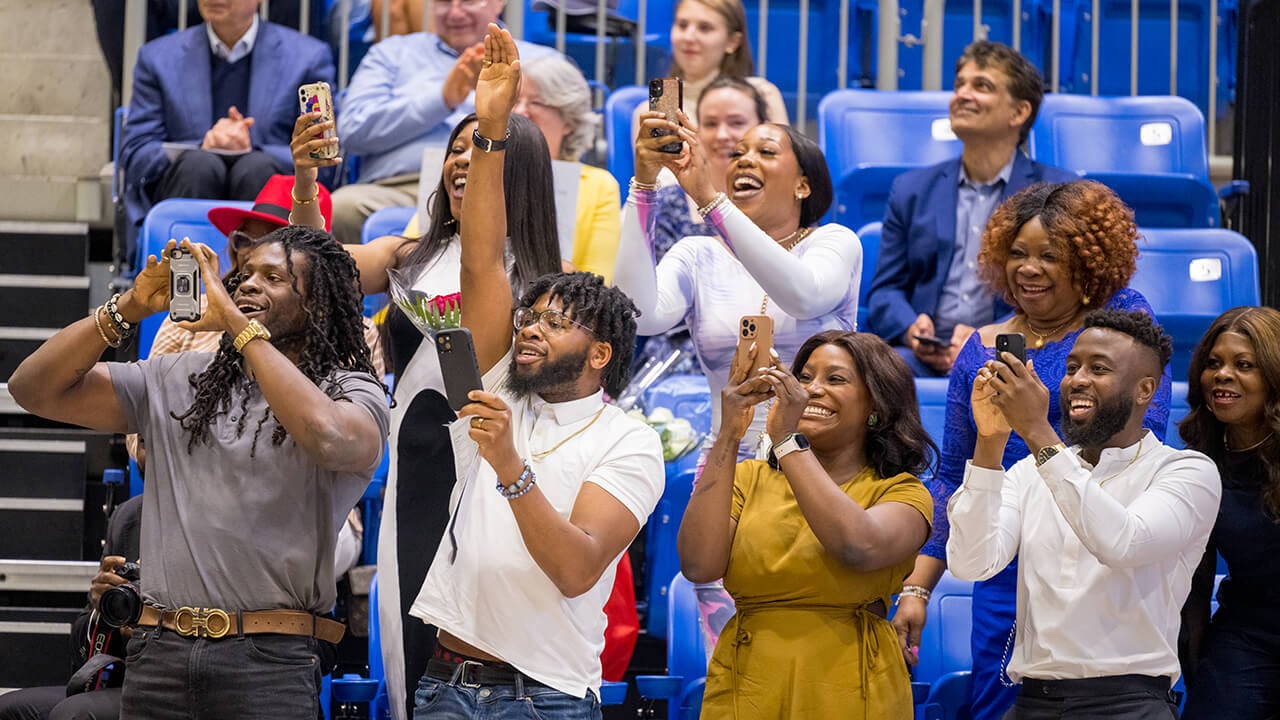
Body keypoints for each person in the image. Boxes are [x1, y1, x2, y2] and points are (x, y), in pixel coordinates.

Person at [7, 225, 390, 718]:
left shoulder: (351, 391)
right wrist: (128, 308)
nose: (248, 284)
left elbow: (330, 437)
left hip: (269, 664)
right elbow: (33, 389)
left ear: (315, 304)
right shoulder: (179, 378)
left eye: (273, 277)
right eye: (244, 274)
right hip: (159, 654)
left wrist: (231, 320)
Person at [405, 25, 664, 717]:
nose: (530, 326)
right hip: (444, 682)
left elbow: (577, 568)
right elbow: (483, 259)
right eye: (531, 315)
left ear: (601, 352)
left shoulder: (629, 440)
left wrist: (509, 465)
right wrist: (490, 131)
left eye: (556, 321)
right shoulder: (500, 390)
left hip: (543, 696)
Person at [292, 106, 564, 719]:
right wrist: (307, 184)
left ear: (517, 171)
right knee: (408, 642)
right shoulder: (407, 256)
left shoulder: (552, 284)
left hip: (499, 479)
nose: (463, 161)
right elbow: (313, 270)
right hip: (416, 480)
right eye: (456, 149)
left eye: (482, 148)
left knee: (476, 649)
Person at [891, 180, 1171, 720]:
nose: (1028, 268)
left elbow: (1137, 436)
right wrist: (919, 587)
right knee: (998, 706)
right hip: (1000, 561)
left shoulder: (1116, 327)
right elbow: (953, 473)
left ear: (1091, 261)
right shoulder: (980, 347)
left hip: (1095, 557)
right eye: (1017, 253)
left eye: (1051, 256)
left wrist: (1035, 422)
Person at [948, 309, 1221, 719]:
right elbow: (971, 564)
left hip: (1129, 704)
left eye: (1098, 369)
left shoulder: (1186, 471)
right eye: (1072, 367)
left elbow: (1123, 542)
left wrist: (1037, 430)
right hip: (1031, 702)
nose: (1077, 379)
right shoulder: (1028, 472)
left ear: (1145, 389)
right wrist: (990, 442)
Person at [678, 330, 934, 718]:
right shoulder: (750, 477)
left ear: (875, 406)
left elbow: (857, 546)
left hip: (852, 687)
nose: (813, 390)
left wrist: (786, 441)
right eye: (805, 377)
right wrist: (730, 432)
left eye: (835, 379)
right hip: (749, 683)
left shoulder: (902, 492)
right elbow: (699, 564)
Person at [614, 110, 861, 465]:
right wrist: (645, 185)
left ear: (803, 185)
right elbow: (635, 315)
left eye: (767, 152)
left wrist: (711, 201)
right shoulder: (697, 254)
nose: (745, 160)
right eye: (737, 154)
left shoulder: (834, 242)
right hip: (726, 463)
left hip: (823, 464)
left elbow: (804, 297)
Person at [865, 40, 1077, 378]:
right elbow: (886, 290)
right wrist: (909, 328)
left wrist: (986, 338)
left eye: (982, 86)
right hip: (918, 359)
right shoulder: (912, 189)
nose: (962, 94)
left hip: (1015, 354)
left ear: (1019, 112)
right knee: (872, 372)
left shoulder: (1057, 194)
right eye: (959, 84)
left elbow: (1067, 296)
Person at [119, 0, 335, 264]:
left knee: (255, 167)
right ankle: (182, 291)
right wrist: (204, 144)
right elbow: (136, 153)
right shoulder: (158, 58)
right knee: (200, 165)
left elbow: (324, 156)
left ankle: (261, 292)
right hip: (188, 181)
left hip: (266, 182)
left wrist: (249, 147)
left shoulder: (307, 57)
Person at [328, 0, 557, 243]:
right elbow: (352, 131)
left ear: (499, 3)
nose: (456, 12)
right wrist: (442, 99)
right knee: (341, 208)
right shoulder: (391, 53)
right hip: (400, 189)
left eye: (469, 1)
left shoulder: (540, 61)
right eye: (444, 2)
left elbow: (568, 133)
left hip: (504, 187)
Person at [397, 54, 622, 281]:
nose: (520, 111)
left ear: (569, 120)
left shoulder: (598, 185)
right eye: (513, 101)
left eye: (536, 102)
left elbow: (596, 282)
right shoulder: (466, 167)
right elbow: (415, 253)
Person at [1179, 306, 1280, 719]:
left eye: (1244, 365)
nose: (1221, 375)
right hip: (1248, 632)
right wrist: (1198, 672)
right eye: (1213, 363)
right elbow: (1194, 586)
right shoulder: (1199, 464)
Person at [0, 495, 142, 720]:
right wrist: (103, 612)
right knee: (8, 709)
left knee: (73, 714)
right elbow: (81, 654)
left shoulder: (208, 519)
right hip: (127, 679)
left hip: (180, 682)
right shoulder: (128, 515)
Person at [646, 75, 769, 262]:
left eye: (736, 123)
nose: (721, 135)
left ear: (763, 127)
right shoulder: (667, 203)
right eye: (711, 124)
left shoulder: (783, 200)